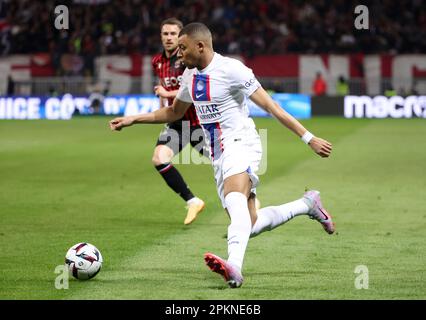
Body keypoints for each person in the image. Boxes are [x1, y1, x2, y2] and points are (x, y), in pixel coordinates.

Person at [109, 22, 335, 288]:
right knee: (250, 224)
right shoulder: (189, 76)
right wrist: (134, 119)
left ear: (200, 46)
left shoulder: (232, 70)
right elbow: (173, 113)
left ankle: (234, 268)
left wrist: (309, 138)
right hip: (218, 154)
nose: (179, 54)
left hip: (242, 144)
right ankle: (307, 204)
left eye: (183, 48)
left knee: (234, 198)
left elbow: (271, 107)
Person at [151, 18, 206, 225]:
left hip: (198, 122)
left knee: (224, 163)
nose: (168, 38)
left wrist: (167, 91)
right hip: (177, 124)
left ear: (181, 36)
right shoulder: (157, 61)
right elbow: (162, 87)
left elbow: (193, 88)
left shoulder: (188, 59)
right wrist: (162, 105)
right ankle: (193, 200)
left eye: (173, 34)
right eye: (165, 34)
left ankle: (249, 196)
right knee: (159, 158)